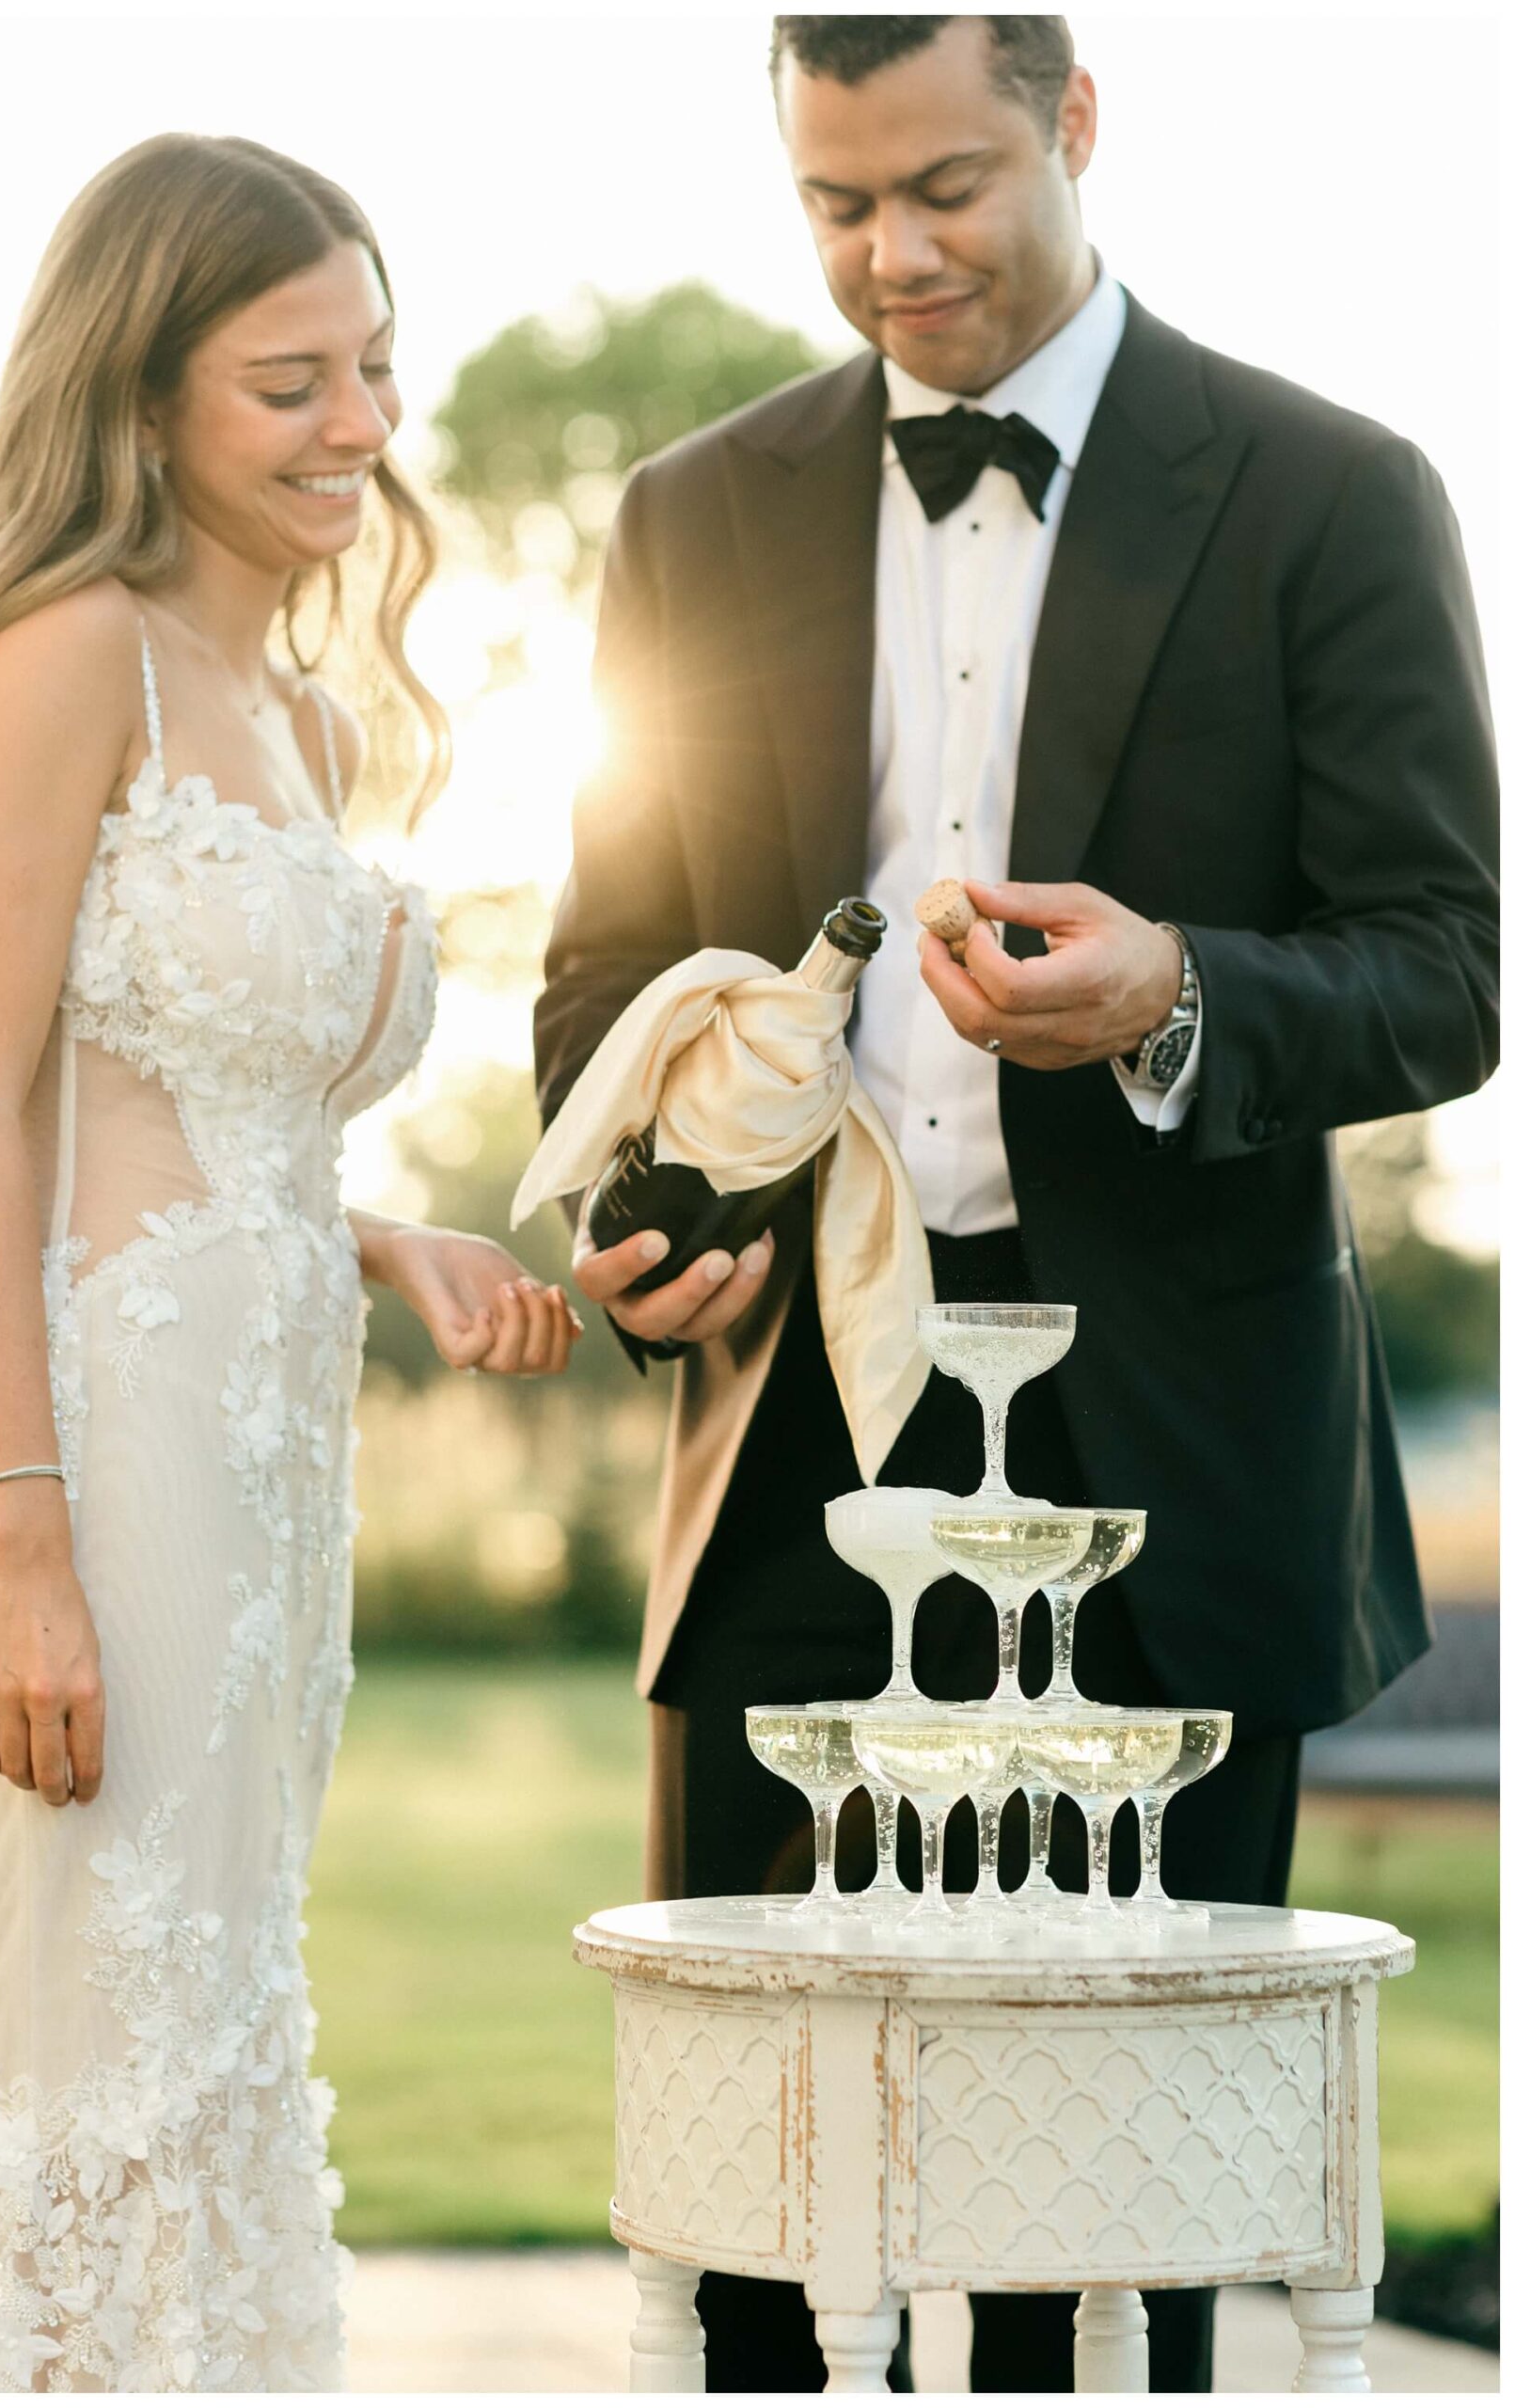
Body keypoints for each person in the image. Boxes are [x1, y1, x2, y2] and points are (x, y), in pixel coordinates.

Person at [534, 15, 1498, 2394]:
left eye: (943, 188)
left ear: (1077, 123)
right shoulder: (691, 513)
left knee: (1129, 2211)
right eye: (833, 204)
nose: (891, 255)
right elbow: (598, 972)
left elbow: (1447, 963)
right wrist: (649, 1211)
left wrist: (1183, 995)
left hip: (1174, 1437)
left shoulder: (1328, 487)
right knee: (765, 2177)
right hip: (798, 1440)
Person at [0, 134, 581, 2392]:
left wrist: (378, 1234)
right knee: (71, 2050)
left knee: (205, 2010)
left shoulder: (298, 710)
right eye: (290, 380)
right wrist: (18, 1531)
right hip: (99, 1456)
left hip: (274, 1472)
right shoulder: (62, 650)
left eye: (376, 369)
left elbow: (193, 1112)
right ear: (143, 397)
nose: (364, 429)